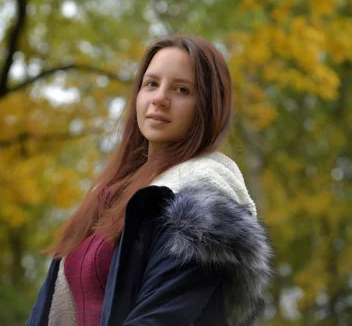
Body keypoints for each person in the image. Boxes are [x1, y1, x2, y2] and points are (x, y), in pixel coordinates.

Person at [26, 34, 274, 326]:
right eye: (151, 84)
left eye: (182, 90)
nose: (159, 98)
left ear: (208, 106)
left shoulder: (202, 202)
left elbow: (161, 319)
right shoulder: (109, 195)